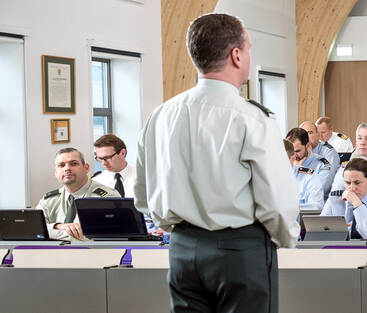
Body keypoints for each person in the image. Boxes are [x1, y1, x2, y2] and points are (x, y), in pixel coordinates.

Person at [134, 13, 296, 312]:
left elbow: (144, 193)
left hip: (182, 248)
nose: (248, 55)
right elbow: (275, 200)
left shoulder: (162, 115)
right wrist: (286, 239)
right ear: (236, 55)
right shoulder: (250, 117)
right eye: (248, 48)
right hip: (238, 248)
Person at [39, 148, 121, 241]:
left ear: (86, 168)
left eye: (73, 164)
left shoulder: (107, 198)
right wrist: (58, 226)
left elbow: (111, 237)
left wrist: (50, 231)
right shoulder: (48, 200)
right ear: (56, 172)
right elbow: (33, 229)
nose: (67, 168)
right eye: (61, 165)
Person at [321, 158, 367, 240]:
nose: (352, 188)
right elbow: (319, 230)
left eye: (357, 183)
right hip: (340, 249)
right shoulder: (335, 198)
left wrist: (357, 204)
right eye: (347, 183)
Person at [287, 128, 335, 209]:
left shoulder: (323, 165)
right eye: (291, 151)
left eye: (297, 151)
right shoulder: (286, 163)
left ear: (308, 145)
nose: (293, 156)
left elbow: (317, 194)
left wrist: (297, 169)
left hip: (312, 215)